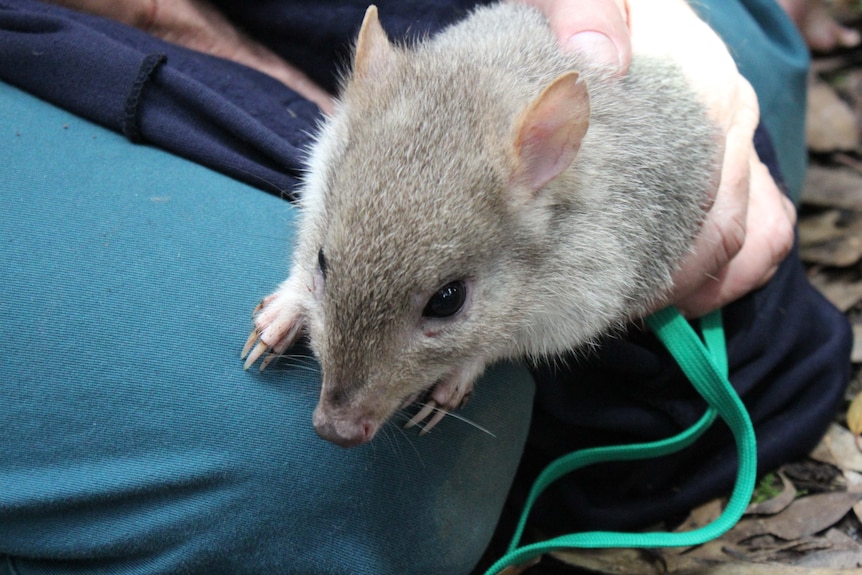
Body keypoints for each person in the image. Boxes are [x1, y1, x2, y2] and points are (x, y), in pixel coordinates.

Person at [0, 1, 850, 573]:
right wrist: (310, 279)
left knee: (750, 83)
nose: (339, 413)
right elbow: (336, 170)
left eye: (445, 302)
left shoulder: (545, 198)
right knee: (302, 473)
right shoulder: (370, 127)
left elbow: (602, 288)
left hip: (540, 96)